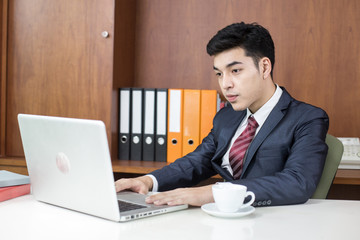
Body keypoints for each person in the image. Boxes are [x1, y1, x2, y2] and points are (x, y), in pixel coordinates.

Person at [115, 22, 329, 207]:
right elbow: (198, 161)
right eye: (219, 73)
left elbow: (297, 183)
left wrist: (212, 193)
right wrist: (148, 181)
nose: (225, 84)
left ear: (264, 67)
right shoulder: (226, 116)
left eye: (235, 71)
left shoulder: (308, 118)